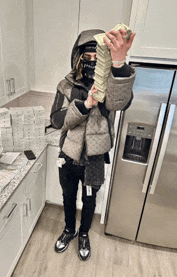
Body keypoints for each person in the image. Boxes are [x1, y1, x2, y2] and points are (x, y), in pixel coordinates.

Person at [50, 28, 136, 261]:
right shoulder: (66, 85)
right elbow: (57, 120)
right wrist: (85, 105)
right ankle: (69, 230)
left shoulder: (111, 85)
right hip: (68, 155)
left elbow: (121, 103)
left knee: (89, 199)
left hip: (95, 159)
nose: (91, 62)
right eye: (86, 57)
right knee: (68, 196)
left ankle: (84, 234)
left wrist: (119, 65)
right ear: (77, 57)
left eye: (97, 58)